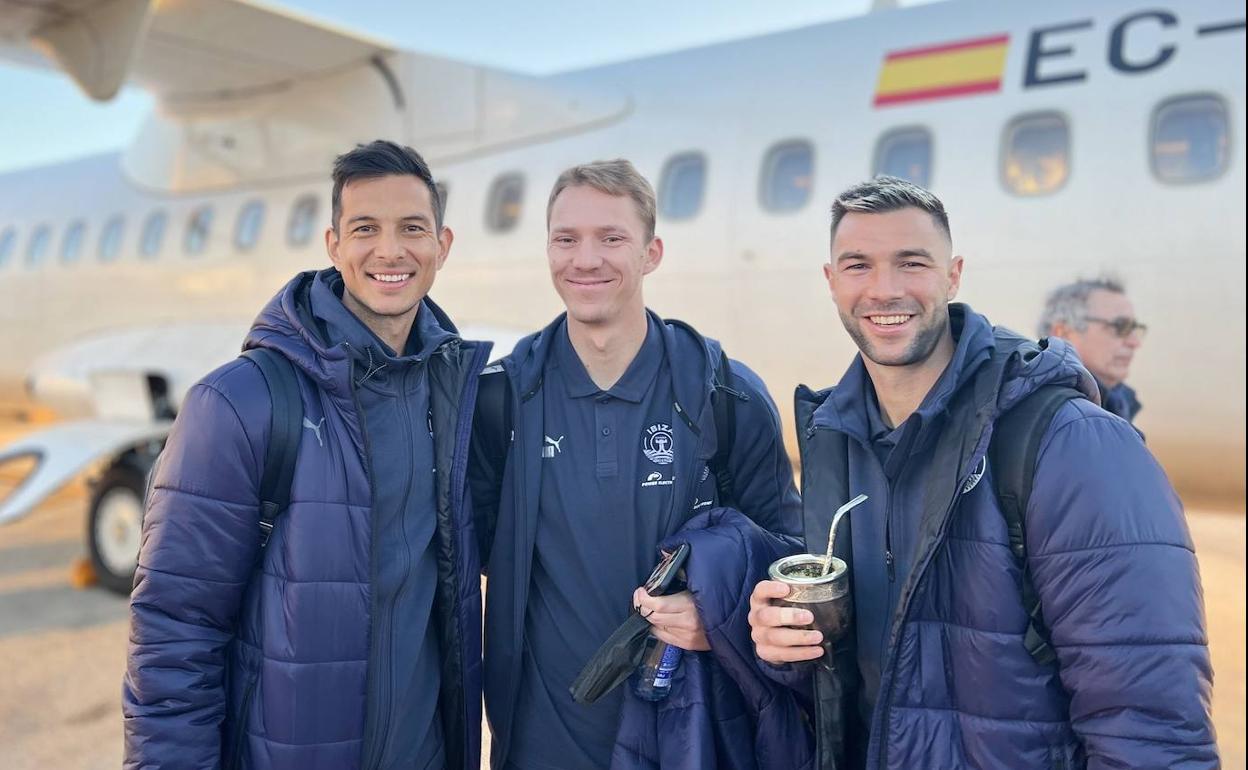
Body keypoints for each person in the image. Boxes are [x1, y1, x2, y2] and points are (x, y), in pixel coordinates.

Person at [748, 176, 1217, 769]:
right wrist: (783, 648)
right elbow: (869, 688)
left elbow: (1149, 727)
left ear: (953, 274)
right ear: (831, 281)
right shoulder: (836, 442)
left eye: (912, 263)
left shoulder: (1070, 441)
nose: (884, 289)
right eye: (858, 265)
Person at [123, 140, 490, 770]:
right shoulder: (239, 401)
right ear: (334, 245)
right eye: (365, 228)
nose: (390, 250)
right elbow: (175, 631)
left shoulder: (458, 399)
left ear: (443, 246)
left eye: (411, 229)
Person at [471, 159, 805, 770]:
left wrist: (721, 620)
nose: (586, 259)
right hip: (542, 741)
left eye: (611, 238)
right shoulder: (501, 403)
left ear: (651, 253)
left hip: (691, 735)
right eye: (566, 239)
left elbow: (788, 558)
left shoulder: (726, 398)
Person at [1038, 276, 1146, 422]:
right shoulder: (1052, 412)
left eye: (1134, 328)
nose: (1134, 342)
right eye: (1120, 326)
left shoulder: (1118, 404)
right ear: (1062, 333)